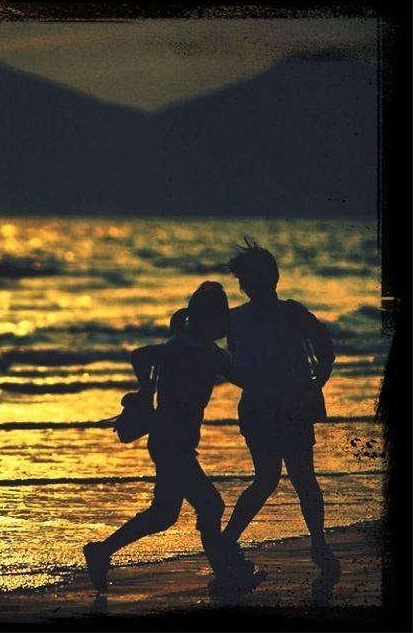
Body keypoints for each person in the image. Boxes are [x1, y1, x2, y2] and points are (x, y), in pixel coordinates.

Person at [83, 282, 253, 593]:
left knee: (163, 514)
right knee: (210, 505)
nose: (224, 322)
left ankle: (100, 551)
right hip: (169, 442)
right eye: (220, 316)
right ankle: (226, 577)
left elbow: (242, 378)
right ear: (207, 319)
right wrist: (147, 392)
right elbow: (140, 355)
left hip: (178, 442)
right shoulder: (182, 347)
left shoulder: (209, 352)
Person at [221, 239, 340, 581]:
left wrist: (321, 374)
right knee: (291, 478)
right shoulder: (253, 317)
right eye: (250, 280)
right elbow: (324, 344)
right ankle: (317, 545)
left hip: (282, 405)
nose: (252, 286)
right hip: (272, 406)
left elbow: (322, 344)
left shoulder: (249, 318)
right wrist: (320, 374)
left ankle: (233, 541)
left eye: (253, 278)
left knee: (278, 478)